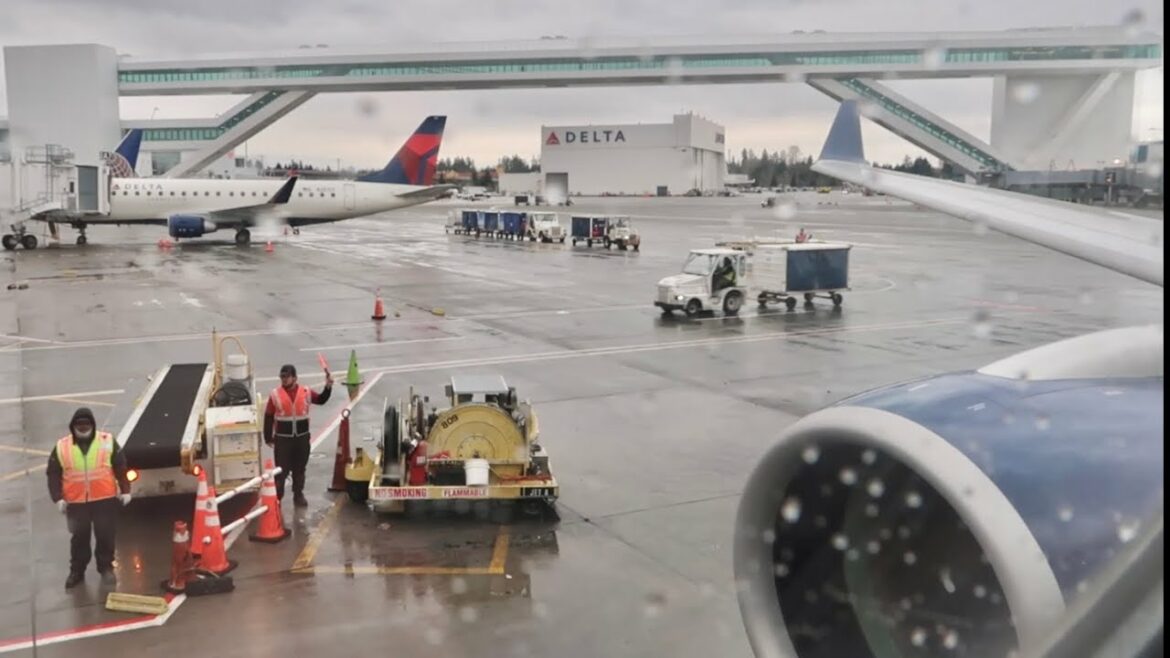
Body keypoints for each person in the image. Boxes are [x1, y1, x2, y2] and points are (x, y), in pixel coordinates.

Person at [46, 407, 132, 589]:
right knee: (79, 538)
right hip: (76, 502)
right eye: (79, 425)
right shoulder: (62, 446)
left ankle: (106, 568)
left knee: (105, 536)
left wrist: (125, 490)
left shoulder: (107, 441)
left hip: (104, 500)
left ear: (92, 424)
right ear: (73, 426)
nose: (83, 428)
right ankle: (77, 571)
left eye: (86, 424)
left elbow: (120, 466)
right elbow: (53, 473)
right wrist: (58, 498)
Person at [264, 364, 332, 507]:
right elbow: (269, 416)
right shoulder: (275, 395)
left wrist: (328, 387)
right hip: (283, 439)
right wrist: (268, 437)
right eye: (282, 377)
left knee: (299, 468)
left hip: (301, 438)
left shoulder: (305, 392)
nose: (284, 379)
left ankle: (298, 494)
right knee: (281, 470)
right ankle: (278, 497)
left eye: (287, 376)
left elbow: (321, 400)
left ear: (294, 378)